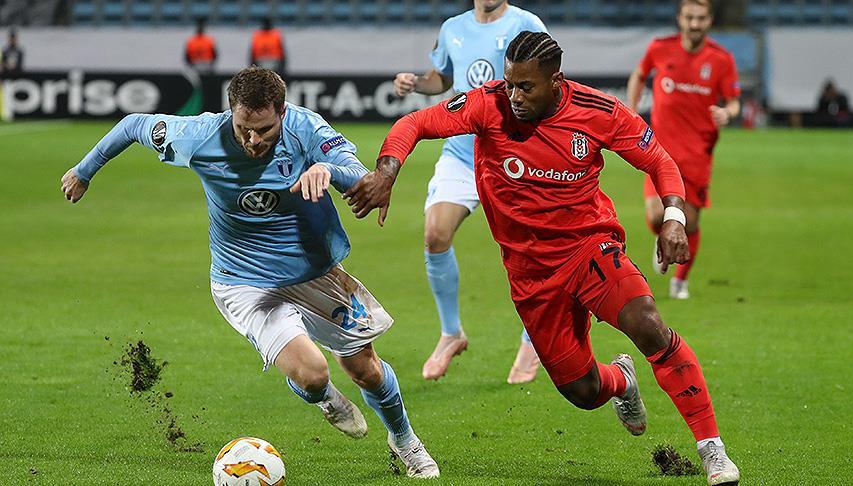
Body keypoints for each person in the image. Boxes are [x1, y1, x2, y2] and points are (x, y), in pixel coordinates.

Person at [346, 32, 740, 486]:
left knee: (648, 323)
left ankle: (712, 450)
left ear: (556, 81)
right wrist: (387, 171)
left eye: (526, 87)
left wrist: (673, 217)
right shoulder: (487, 104)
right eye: (510, 83)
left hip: (588, 248)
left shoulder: (598, 111)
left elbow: (660, 161)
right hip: (530, 275)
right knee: (583, 391)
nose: (513, 96)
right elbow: (413, 124)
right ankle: (621, 380)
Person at [60, 67, 438, 479]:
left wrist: (328, 171)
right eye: (244, 129)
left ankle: (405, 441)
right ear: (231, 113)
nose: (253, 140)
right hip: (244, 281)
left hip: (313, 271)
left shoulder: (306, 128)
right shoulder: (199, 136)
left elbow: (358, 172)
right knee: (314, 374)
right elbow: (134, 125)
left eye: (264, 130)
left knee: (366, 370)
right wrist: (84, 170)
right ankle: (324, 397)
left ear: (282, 112)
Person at [392, 0, 546, 384]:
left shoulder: (526, 23)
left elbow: (548, 84)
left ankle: (533, 338)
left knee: (531, 250)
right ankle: (451, 333)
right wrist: (417, 83)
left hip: (514, 156)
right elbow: (443, 79)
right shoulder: (452, 28)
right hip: (463, 153)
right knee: (435, 234)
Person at [626, 0, 740, 300]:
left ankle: (680, 281)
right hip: (660, 151)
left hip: (698, 154)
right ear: (680, 18)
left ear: (709, 21)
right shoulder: (660, 48)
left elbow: (733, 102)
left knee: (689, 222)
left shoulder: (721, 59)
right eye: (689, 17)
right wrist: (632, 111)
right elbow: (639, 75)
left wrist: (726, 113)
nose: (694, 24)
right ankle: (663, 237)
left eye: (700, 18)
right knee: (655, 216)